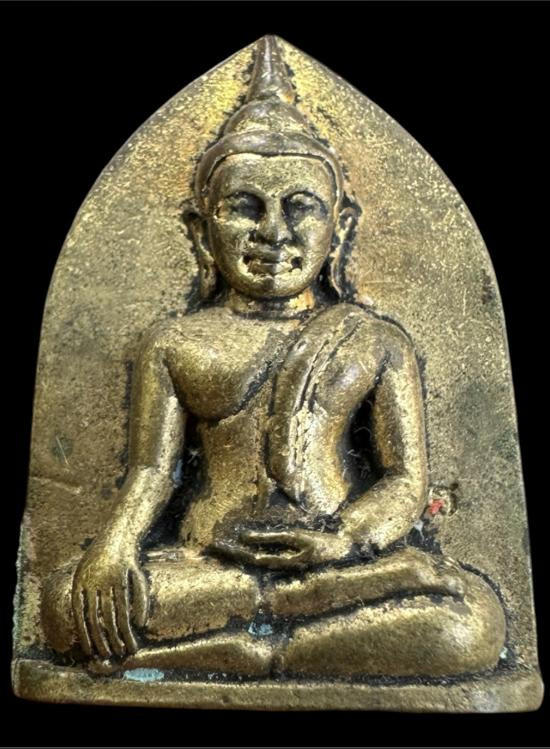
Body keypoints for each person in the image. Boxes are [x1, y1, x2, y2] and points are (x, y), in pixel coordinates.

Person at [42, 37, 505, 678]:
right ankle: (273, 644)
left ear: (339, 229)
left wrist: (343, 540)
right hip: (211, 567)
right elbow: (152, 471)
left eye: (300, 208)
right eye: (244, 207)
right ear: (202, 233)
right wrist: (114, 548)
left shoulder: (375, 340)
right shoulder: (175, 343)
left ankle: (246, 652)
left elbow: (404, 481)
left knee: (471, 619)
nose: (273, 232)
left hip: (334, 565)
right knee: (65, 605)